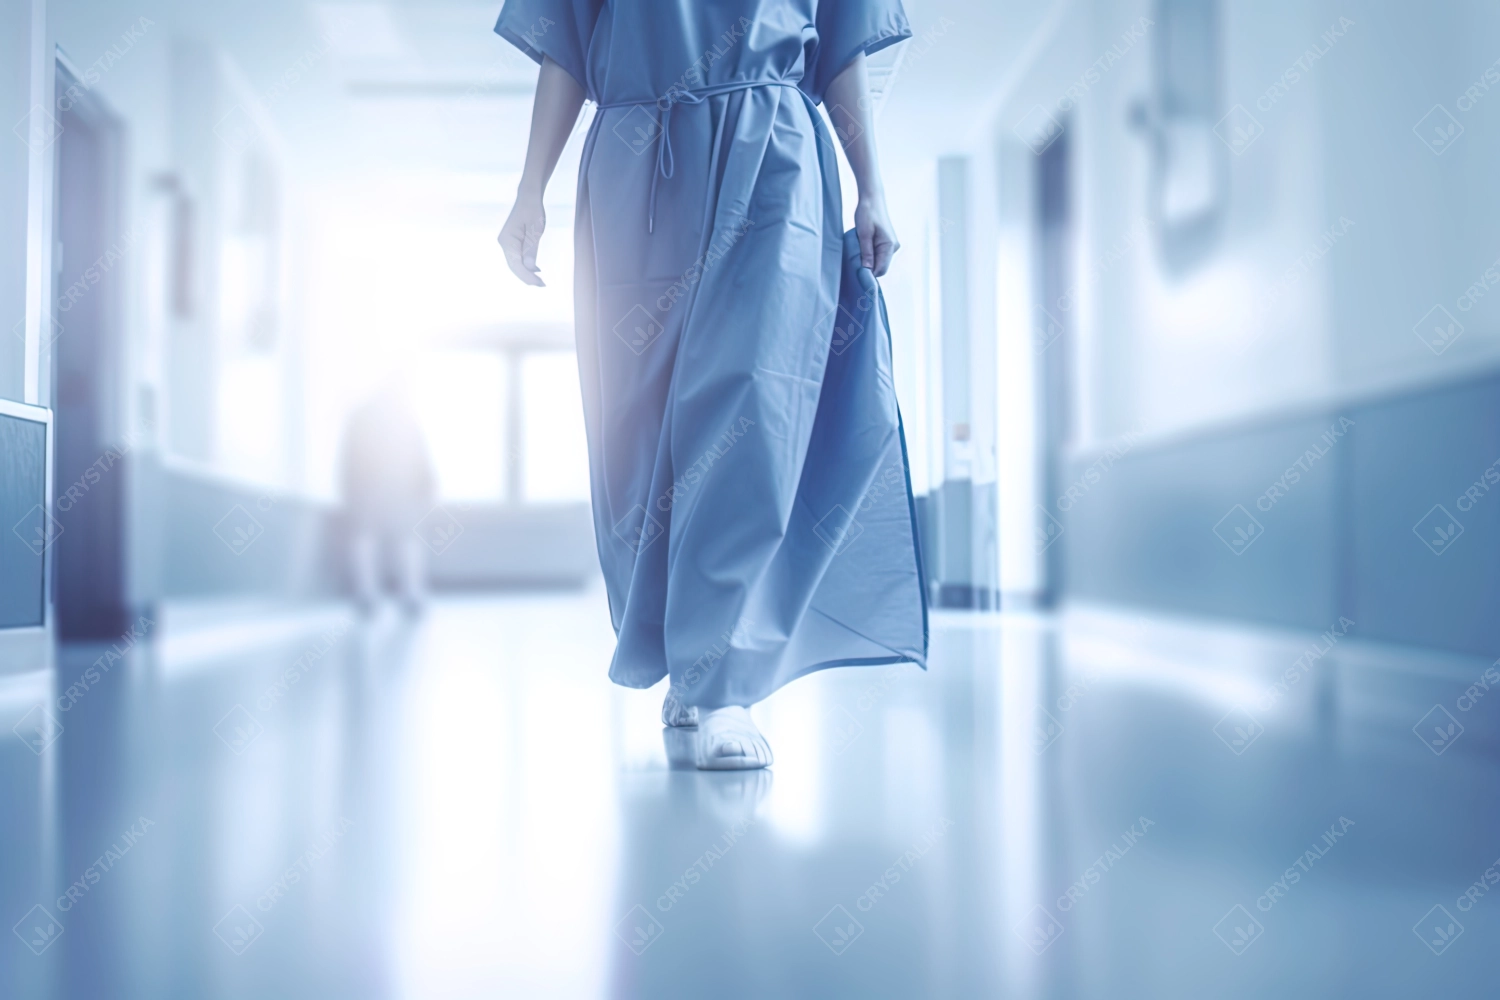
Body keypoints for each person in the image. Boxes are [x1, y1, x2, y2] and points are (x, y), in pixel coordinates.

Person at [495, 0, 927, 770]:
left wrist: (873, 187)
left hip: (775, 155)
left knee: (753, 407)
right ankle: (685, 648)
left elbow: (840, 46)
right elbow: (563, 40)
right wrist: (530, 188)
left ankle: (723, 682)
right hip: (638, 158)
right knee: (638, 436)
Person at [338, 380, 438, 614]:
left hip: (387, 488)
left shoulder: (370, 416)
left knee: (382, 540)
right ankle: (394, 594)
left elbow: (420, 454)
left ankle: (379, 594)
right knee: (386, 540)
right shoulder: (395, 417)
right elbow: (421, 455)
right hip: (378, 487)